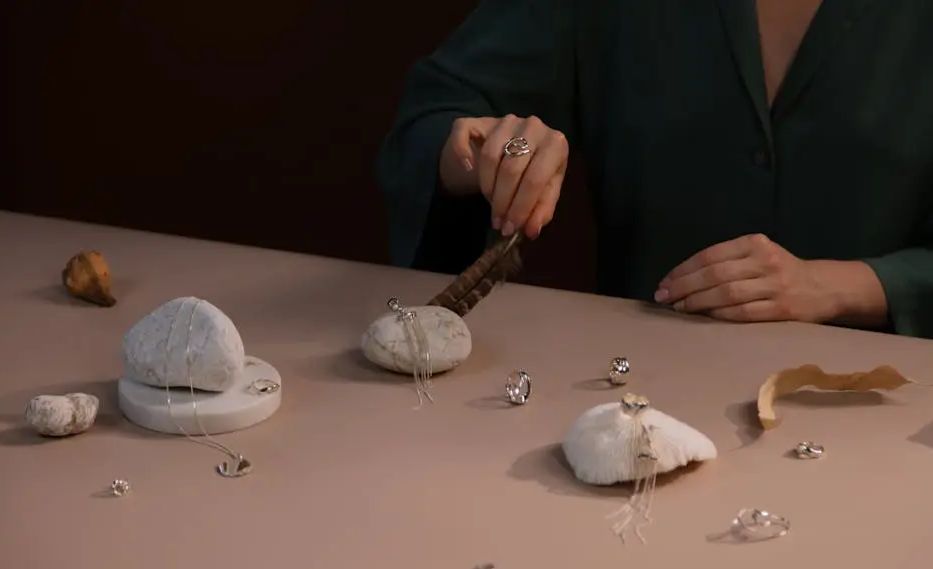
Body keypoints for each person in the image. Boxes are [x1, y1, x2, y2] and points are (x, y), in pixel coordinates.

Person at [377, 0, 933, 338]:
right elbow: (434, 122)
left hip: (887, 417)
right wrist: (488, 155)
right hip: (637, 409)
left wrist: (844, 287)